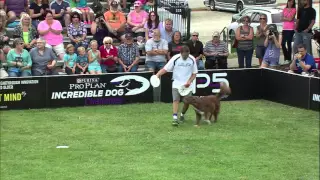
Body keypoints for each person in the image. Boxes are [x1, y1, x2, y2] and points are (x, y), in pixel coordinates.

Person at [155, 45, 198, 126]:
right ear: (181, 53)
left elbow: (194, 73)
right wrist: (157, 75)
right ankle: (175, 118)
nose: (186, 57)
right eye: (184, 55)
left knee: (187, 102)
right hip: (176, 83)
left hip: (187, 85)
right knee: (176, 100)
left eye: (187, 55)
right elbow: (165, 69)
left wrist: (189, 81)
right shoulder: (175, 58)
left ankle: (182, 115)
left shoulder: (192, 59)